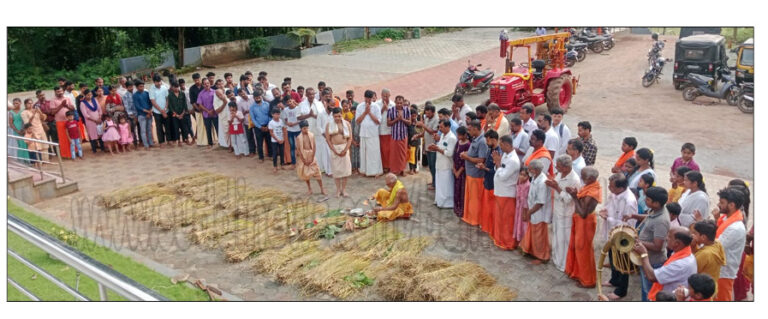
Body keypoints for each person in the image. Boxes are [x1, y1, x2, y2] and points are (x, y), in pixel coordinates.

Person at [626, 186, 671, 301]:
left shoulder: (661, 221)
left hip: (653, 262)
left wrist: (637, 242)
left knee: (649, 292)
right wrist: (634, 216)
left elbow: (657, 246)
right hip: (646, 258)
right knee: (645, 289)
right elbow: (649, 218)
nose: (645, 201)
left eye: (648, 200)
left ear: (656, 203)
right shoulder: (656, 210)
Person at [599, 173, 637, 300]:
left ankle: (621, 290)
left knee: (622, 264)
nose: (609, 188)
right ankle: (614, 280)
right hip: (612, 234)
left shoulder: (629, 201)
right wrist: (604, 210)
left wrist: (608, 218)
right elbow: (608, 205)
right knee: (612, 258)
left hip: (622, 236)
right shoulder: (614, 194)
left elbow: (628, 224)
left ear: (621, 188)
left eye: (612, 186)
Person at [633, 226, 697, 301]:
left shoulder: (681, 264)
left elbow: (652, 277)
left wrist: (644, 254)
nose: (666, 238)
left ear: (677, 243)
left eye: (669, 237)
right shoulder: (684, 253)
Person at [564, 166, 601, 288]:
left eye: (583, 177)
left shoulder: (592, 192)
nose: (581, 178)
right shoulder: (590, 185)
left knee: (583, 250)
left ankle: (588, 281)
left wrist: (574, 196)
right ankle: (578, 273)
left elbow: (583, 213)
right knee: (577, 248)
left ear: (590, 178)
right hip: (579, 222)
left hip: (585, 223)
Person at [709, 187, 746, 301]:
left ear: (731, 205)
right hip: (717, 269)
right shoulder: (725, 218)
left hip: (724, 273)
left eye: (722, 202)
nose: (718, 205)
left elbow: (716, 245)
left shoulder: (735, 228)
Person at [547, 155, 582, 272]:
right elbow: (557, 184)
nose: (556, 167)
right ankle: (556, 259)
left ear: (566, 168)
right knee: (556, 236)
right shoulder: (560, 174)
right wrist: (552, 183)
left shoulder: (574, 180)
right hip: (557, 210)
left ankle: (564, 264)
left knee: (564, 239)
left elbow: (569, 199)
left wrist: (557, 188)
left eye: (559, 165)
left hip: (565, 213)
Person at [491, 134, 521, 250]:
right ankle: (499, 239)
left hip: (507, 193)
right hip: (500, 191)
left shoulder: (513, 160)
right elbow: (498, 169)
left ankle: (508, 242)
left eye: (502, 144)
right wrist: (497, 164)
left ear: (508, 145)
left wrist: (498, 164)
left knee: (507, 220)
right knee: (500, 218)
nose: (500, 147)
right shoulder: (505, 155)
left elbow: (503, 175)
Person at [520, 158, 552, 264]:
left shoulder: (542, 182)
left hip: (539, 213)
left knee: (539, 235)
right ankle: (531, 250)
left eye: (530, 169)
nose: (529, 171)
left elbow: (540, 202)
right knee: (533, 233)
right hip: (533, 211)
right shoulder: (535, 178)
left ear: (536, 170)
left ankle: (542, 256)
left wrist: (529, 212)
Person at [459, 120, 489, 226]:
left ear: (476, 129)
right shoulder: (475, 139)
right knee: (471, 197)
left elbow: (481, 160)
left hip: (477, 175)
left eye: (470, 129)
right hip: (471, 173)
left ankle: (475, 219)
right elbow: (473, 153)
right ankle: (469, 217)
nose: (468, 131)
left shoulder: (482, 142)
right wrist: (466, 153)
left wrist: (466, 157)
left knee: (475, 199)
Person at [690, 220, 726, 295]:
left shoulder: (705, 254)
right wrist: (694, 246)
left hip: (701, 290)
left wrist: (691, 247)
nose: (692, 235)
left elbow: (692, 269)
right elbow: (700, 252)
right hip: (712, 286)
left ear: (703, 237)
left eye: (695, 233)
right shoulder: (717, 242)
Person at [354, 90, 383, 177]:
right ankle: (364, 171)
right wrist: (365, 112)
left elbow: (378, 121)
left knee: (374, 153)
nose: (368, 101)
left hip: (373, 133)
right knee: (364, 153)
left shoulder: (376, 107)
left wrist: (369, 112)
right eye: (367, 99)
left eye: (370, 99)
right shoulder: (359, 106)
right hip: (363, 133)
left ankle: (375, 171)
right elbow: (358, 121)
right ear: (365, 98)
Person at [477, 130, 501, 234]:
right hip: (487, 181)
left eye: (488, 140)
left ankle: (491, 228)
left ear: (494, 140)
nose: (486, 142)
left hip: (493, 184)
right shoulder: (489, 149)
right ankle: (486, 225)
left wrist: (484, 168)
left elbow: (497, 171)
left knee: (491, 208)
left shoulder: (498, 153)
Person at [326, 107, 353, 197]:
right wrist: (334, 150)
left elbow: (350, 139)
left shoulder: (347, 124)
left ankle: (344, 190)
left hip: (344, 147)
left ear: (341, 115)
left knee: (345, 171)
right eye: (335, 116)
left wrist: (345, 150)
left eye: (339, 116)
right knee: (336, 171)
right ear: (333, 116)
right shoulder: (329, 125)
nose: (337, 118)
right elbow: (328, 139)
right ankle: (338, 190)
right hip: (334, 149)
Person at [430, 119, 457, 209]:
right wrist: (434, 147)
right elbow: (441, 147)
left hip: (446, 165)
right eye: (439, 127)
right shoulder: (442, 135)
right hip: (439, 163)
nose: (440, 129)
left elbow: (449, 153)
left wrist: (437, 149)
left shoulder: (452, 138)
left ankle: (447, 203)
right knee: (440, 184)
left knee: (446, 185)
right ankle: (439, 201)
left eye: (442, 127)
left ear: (448, 127)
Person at [295, 120, 326, 197]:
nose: (306, 130)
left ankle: (322, 188)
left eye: (307, 128)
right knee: (306, 174)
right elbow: (298, 150)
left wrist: (312, 157)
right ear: (301, 129)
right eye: (304, 128)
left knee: (317, 172)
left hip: (311, 154)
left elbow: (314, 146)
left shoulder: (311, 135)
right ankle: (309, 189)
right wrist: (303, 160)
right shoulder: (299, 137)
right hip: (304, 155)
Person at [386, 96, 411, 176]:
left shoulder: (407, 110)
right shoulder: (390, 110)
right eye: (397, 103)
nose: (399, 104)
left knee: (403, 153)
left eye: (401, 103)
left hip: (403, 135)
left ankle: (402, 170)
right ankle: (394, 170)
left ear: (403, 102)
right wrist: (397, 119)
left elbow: (409, 122)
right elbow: (388, 123)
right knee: (394, 154)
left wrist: (402, 119)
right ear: (395, 102)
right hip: (394, 136)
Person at [50, 87, 76, 158]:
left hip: (69, 121)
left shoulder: (67, 98)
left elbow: (73, 108)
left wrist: (66, 105)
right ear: (55, 92)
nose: (60, 92)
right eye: (58, 91)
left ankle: (74, 153)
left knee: (71, 137)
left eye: (61, 91)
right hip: (60, 122)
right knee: (63, 138)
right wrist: (61, 105)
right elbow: (52, 112)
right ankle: (65, 154)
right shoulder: (53, 100)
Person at [315, 90, 335, 176]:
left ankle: (332, 170)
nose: (332, 107)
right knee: (325, 155)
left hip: (332, 136)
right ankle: (328, 171)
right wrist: (324, 135)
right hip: (323, 138)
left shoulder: (334, 114)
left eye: (334, 105)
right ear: (326, 104)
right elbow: (318, 126)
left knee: (332, 154)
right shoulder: (321, 114)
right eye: (331, 105)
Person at [452, 126, 470, 218]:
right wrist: (454, 167)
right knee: (456, 189)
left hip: (462, 171)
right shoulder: (458, 142)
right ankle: (456, 207)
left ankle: (461, 209)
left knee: (461, 190)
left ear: (465, 135)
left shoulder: (468, 145)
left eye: (459, 135)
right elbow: (454, 154)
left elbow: (465, 160)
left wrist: (459, 171)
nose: (458, 136)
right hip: (456, 168)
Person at [196, 78, 219, 149]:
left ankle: (221, 142)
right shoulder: (201, 94)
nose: (206, 84)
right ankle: (210, 143)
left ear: (210, 83)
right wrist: (208, 111)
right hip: (206, 114)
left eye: (208, 83)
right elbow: (200, 105)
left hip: (215, 113)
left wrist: (212, 110)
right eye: (205, 83)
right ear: (203, 85)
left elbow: (217, 102)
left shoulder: (215, 92)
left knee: (217, 128)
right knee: (208, 129)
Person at [250, 90, 271, 161]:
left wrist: (268, 125)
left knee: (269, 141)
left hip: (268, 126)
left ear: (261, 96)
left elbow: (270, 115)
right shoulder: (252, 107)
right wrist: (260, 127)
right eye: (256, 97)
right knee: (259, 143)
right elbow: (253, 119)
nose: (258, 98)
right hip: (258, 128)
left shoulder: (267, 104)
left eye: (259, 97)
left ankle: (270, 155)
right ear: (254, 98)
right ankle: (261, 157)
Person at [377, 89, 395, 173]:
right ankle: (384, 166)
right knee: (383, 150)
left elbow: (394, 117)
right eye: (384, 96)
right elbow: (375, 116)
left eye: (387, 96)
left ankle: (390, 166)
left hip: (390, 131)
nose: (386, 98)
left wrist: (388, 109)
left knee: (390, 150)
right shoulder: (377, 104)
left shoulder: (393, 105)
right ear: (381, 95)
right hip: (381, 130)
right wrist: (382, 109)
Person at [282, 96, 302, 167]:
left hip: (298, 130)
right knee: (292, 146)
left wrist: (294, 123)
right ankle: (293, 163)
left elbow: (300, 119)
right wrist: (288, 123)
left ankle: (302, 161)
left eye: (290, 101)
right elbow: (285, 119)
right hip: (290, 130)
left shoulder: (298, 109)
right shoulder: (285, 110)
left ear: (293, 100)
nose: (289, 103)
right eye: (287, 102)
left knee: (300, 146)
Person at [167, 82, 189, 147]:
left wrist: (182, 114)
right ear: (172, 87)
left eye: (177, 87)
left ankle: (186, 139)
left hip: (182, 113)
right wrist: (176, 115)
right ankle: (179, 141)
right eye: (175, 87)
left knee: (184, 127)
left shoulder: (182, 94)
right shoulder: (170, 95)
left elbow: (185, 104)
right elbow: (170, 106)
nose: (176, 88)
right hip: (174, 115)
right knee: (176, 128)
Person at [514, 168, 531, 244]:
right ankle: (519, 239)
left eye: (524, 175)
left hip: (524, 208)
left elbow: (526, 200)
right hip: (518, 206)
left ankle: (524, 242)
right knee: (518, 222)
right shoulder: (519, 183)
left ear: (528, 176)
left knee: (523, 224)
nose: (521, 177)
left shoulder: (528, 185)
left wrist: (525, 211)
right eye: (520, 174)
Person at [214, 81, 230, 149]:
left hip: (231, 117)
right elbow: (217, 110)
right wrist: (224, 103)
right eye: (218, 95)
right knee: (226, 133)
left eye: (220, 94)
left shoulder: (228, 93)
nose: (219, 96)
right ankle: (229, 146)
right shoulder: (216, 98)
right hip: (223, 118)